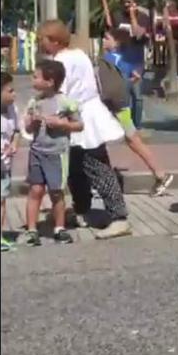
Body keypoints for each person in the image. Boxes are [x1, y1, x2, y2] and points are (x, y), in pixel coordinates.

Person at [38, 20, 131, 239]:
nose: (40, 44)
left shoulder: (60, 61)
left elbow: (61, 91)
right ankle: (82, 210)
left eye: (42, 39)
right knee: (76, 166)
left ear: (54, 40)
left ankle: (119, 217)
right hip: (87, 113)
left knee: (97, 167)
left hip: (81, 116)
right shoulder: (79, 54)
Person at [102, 28, 174, 196]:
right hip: (121, 106)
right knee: (131, 139)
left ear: (117, 42)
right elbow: (134, 75)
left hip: (113, 108)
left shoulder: (109, 59)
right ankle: (159, 173)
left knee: (129, 139)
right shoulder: (126, 60)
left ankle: (160, 174)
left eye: (107, 38)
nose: (104, 41)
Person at [23, 61, 82, 246]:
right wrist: (31, 122)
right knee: (35, 190)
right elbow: (28, 128)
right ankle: (32, 229)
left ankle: (59, 228)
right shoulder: (35, 102)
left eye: (36, 76)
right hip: (37, 151)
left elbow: (79, 125)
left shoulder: (65, 102)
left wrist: (62, 124)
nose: (32, 80)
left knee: (56, 192)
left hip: (57, 153)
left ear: (50, 82)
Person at [111, 0, 151, 129]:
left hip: (136, 61)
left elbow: (138, 34)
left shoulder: (143, 18)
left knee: (137, 96)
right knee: (124, 96)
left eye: (130, 3)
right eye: (125, 3)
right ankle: (125, 124)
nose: (127, 6)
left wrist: (133, 16)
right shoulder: (117, 16)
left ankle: (136, 125)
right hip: (121, 60)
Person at [1, 72, 20, 252]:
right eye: (9, 91)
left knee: (2, 199)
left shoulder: (13, 109)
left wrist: (13, 145)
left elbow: (17, 130)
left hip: (4, 164)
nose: (14, 94)